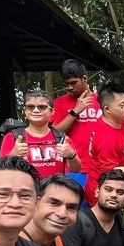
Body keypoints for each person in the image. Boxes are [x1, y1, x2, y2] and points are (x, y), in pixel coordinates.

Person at [1, 90, 82, 179]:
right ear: (25, 111)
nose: (36, 110)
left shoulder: (61, 138)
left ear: (52, 111)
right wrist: (14, 155)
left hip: (54, 186)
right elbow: (2, 171)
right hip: (25, 187)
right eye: (30, 107)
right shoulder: (13, 137)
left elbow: (76, 169)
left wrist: (71, 155)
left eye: (42, 107)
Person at [52, 59, 101, 188]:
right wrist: (75, 112)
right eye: (67, 84)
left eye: (73, 83)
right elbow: (53, 133)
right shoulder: (59, 103)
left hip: (100, 167)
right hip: (72, 168)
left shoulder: (102, 101)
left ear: (84, 78)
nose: (70, 87)